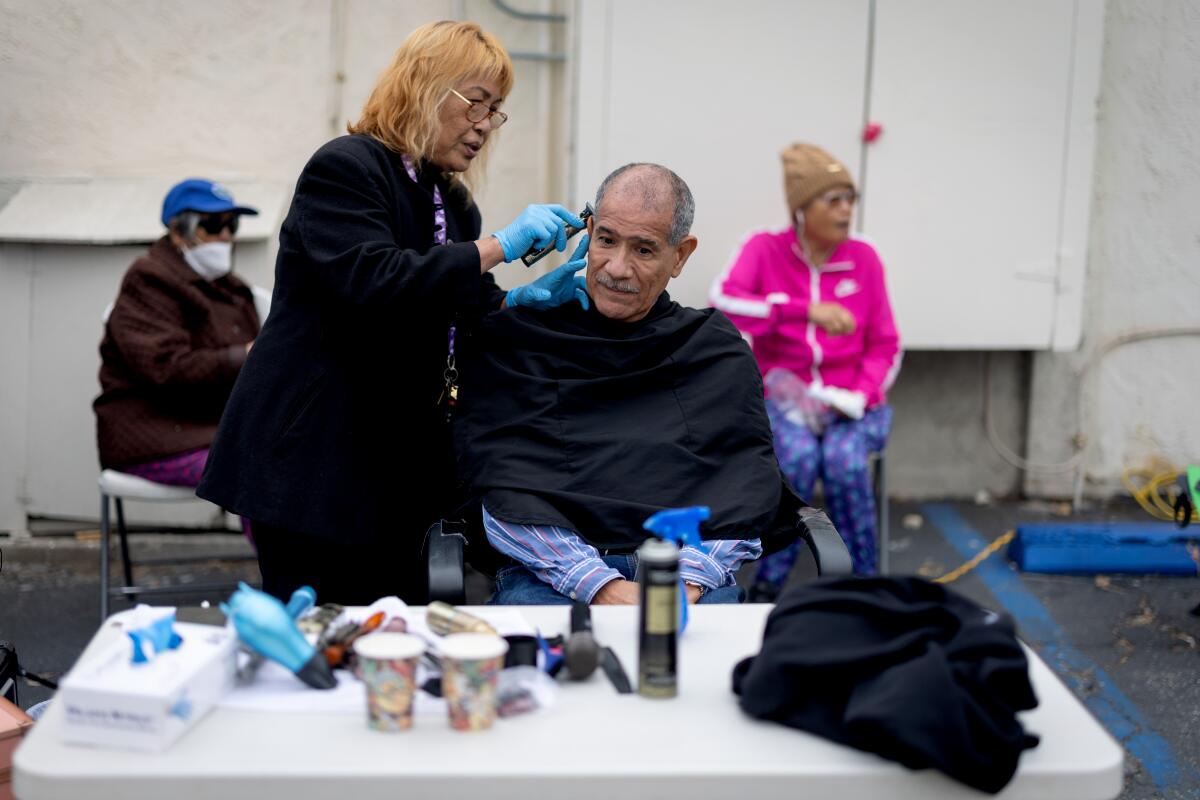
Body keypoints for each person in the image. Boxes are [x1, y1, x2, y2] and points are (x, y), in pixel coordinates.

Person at [196, 21, 589, 605]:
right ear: (425, 87)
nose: (485, 124)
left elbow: (464, 310)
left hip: (393, 464)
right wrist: (500, 246)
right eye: (476, 102)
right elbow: (374, 279)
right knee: (321, 634)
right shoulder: (346, 168)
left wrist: (520, 299)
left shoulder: (453, 201)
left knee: (397, 632)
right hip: (314, 458)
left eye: (495, 110)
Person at [454, 163, 801, 606]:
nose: (617, 268)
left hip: (686, 578)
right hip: (549, 576)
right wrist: (598, 585)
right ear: (589, 232)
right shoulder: (522, 341)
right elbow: (501, 486)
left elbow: (745, 482)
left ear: (680, 256)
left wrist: (686, 582)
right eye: (606, 240)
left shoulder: (713, 350)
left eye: (643, 249)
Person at [710, 142, 901, 585]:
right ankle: (769, 581)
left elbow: (886, 345)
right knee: (794, 460)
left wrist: (860, 395)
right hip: (784, 401)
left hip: (854, 403)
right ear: (801, 208)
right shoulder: (764, 248)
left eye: (850, 198)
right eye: (833, 200)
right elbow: (723, 303)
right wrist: (802, 311)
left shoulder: (864, 258)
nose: (846, 209)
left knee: (844, 461)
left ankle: (860, 584)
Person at [94, 179, 260, 513]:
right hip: (157, 438)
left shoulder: (233, 288)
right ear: (178, 231)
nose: (225, 236)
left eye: (231, 225)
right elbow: (165, 367)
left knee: (310, 452)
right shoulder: (149, 280)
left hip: (214, 431)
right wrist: (245, 356)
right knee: (259, 468)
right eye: (212, 225)